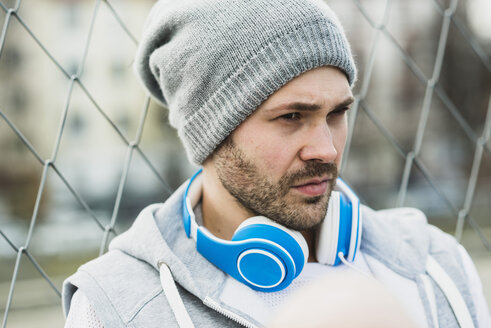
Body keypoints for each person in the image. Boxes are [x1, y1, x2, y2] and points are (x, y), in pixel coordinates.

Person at [62, 0, 491, 327]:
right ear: (210, 132)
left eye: (336, 114)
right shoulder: (114, 309)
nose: (326, 149)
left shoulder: (437, 265)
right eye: (291, 117)